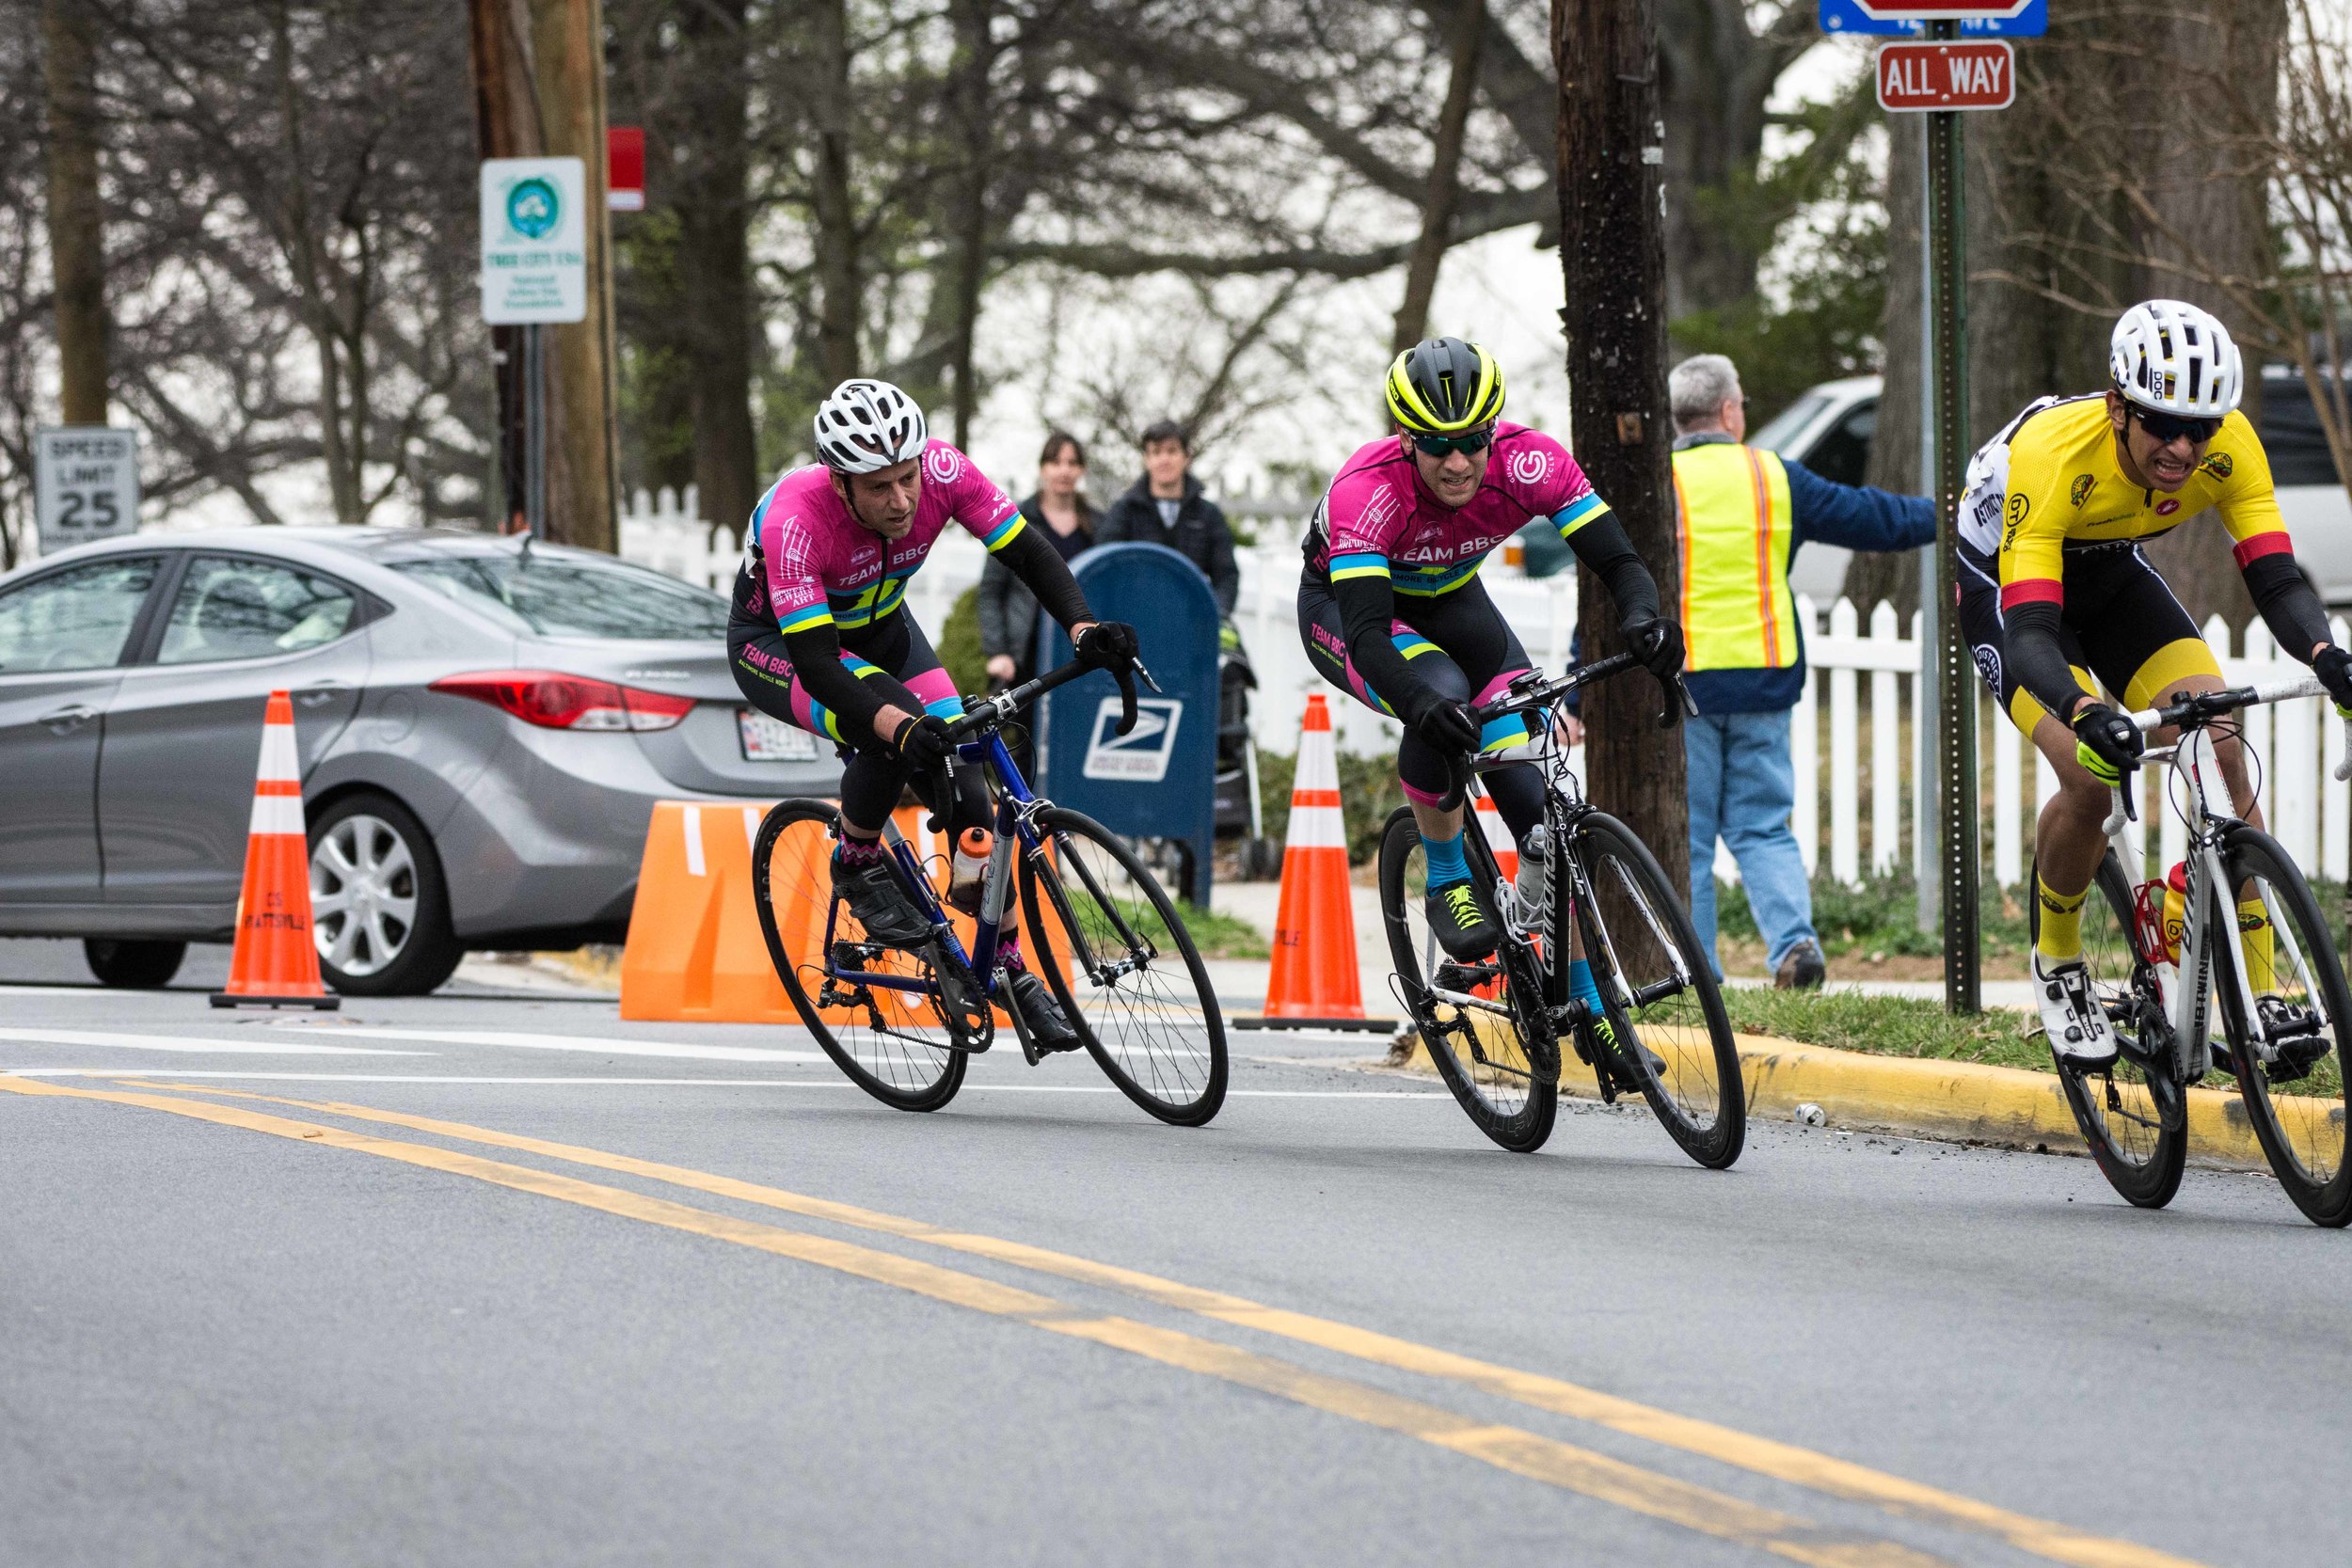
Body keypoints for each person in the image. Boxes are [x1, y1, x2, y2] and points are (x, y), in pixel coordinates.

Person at [1960, 299, 2352, 1063]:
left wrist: (2327, 655)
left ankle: (2260, 991)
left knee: (2221, 741)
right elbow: (2035, 631)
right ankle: (2059, 962)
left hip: (2110, 575)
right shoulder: (2053, 456)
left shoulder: (2229, 444)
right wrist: (2082, 709)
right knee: (2088, 775)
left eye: (2198, 428)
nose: (2181, 447)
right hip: (2009, 591)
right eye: (2161, 424)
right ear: (2117, 407)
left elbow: (2275, 580)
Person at [727, 379, 1141, 1053]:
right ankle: (858, 857)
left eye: (906, 479)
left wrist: (1082, 628)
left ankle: (1003, 966)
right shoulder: (795, 521)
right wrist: (901, 727)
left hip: (882, 623)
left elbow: (1029, 553)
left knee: (969, 776)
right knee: (895, 730)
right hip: (784, 647)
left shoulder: (944, 471)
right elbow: (822, 665)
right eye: (879, 487)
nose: (901, 500)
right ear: (840, 484)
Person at [1296, 336, 1683, 1047]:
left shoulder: (1530, 461)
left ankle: (1587, 1003)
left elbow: (1621, 560)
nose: (1457, 462)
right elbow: (1373, 638)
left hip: (1453, 599)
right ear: (1407, 439)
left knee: (1543, 820)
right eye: (1436, 445)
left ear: (1493, 430)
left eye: (1472, 441)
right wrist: (1419, 704)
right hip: (1353, 613)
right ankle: (1447, 874)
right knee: (1437, 691)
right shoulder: (1368, 489)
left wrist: (1643, 621)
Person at [1668, 353, 1939, 990]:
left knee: (1690, 839)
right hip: (1765, 677)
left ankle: (1698, 973)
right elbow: (1875, 519)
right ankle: (1794, 947)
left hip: (1686, 685)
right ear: (1731, 411)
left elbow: (1611, 585)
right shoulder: (1772, 477)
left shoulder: (1659, 483)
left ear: (1679, 418)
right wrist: (1950, 513)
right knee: (1763, 825)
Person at [980, 431, 1095, 689]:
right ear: (1043, 468)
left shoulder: (1098, 525)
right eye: (1055, 462)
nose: (1064, 471)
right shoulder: (1014, 520)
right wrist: (998, 651)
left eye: (1072, 463)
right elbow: (991, 590)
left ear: (1082, 470)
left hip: (1080, 652)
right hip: (1026, 654)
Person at [1097, 420, 1240, 612]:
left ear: (1186, 457)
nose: (1164, 459)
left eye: (1172, 451)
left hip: (1192, 619)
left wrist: (1218, 615)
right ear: (1146, 459)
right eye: (1156, 452)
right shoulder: (1125, 511)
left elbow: (1226, 575)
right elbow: (1105, 565)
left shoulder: (1208, 515)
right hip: (1136, 620)